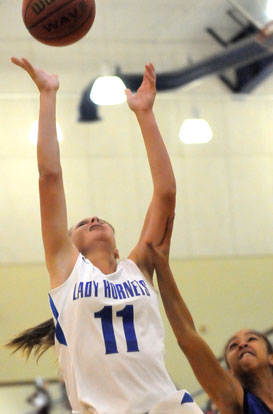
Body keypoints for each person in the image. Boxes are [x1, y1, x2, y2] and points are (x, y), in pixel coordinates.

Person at [7, 57, 203, 414]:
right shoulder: (67, 273)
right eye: (82, 223)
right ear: (69, 244)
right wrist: (48, 95)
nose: (93, 219)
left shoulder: (139, 267)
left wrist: (145, 114)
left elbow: (166, 194)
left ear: (116, 241)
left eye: (99, 220)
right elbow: (49, 176)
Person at [147, 216, 273, 414]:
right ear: (229, 371)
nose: (242, 344)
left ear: (271, 358)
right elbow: (189, 338)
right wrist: (162, 268)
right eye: (233, 345)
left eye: (252, 339)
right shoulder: (235, 400)